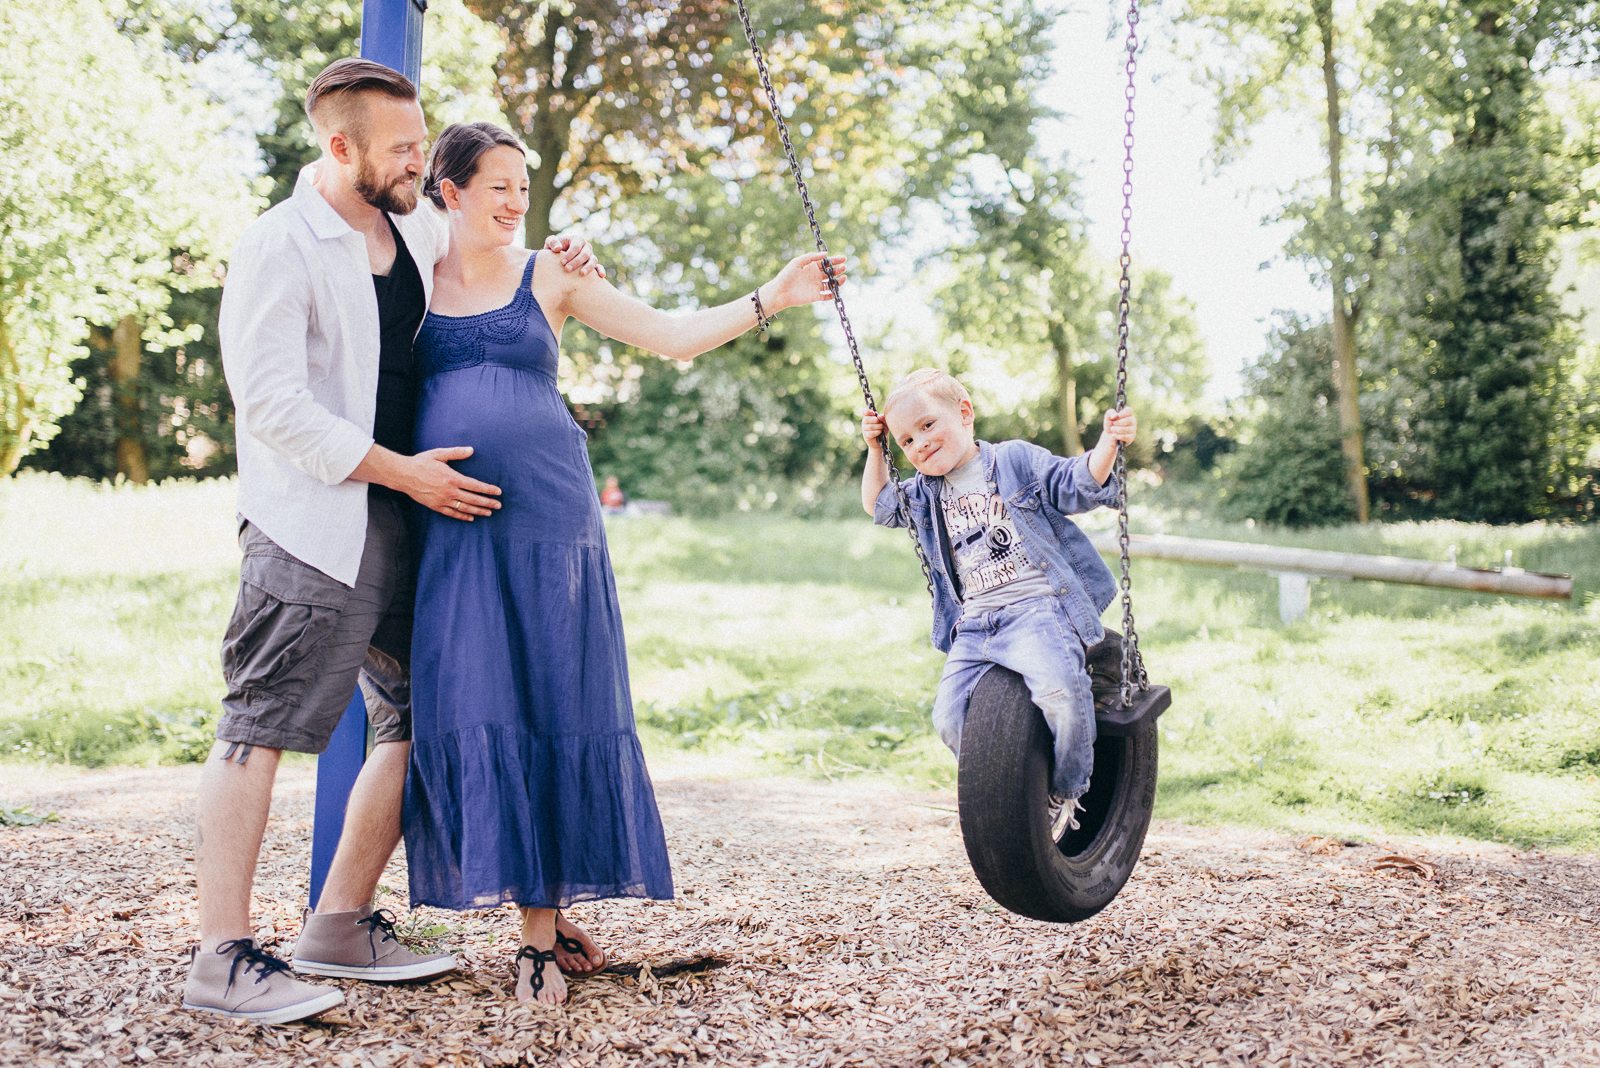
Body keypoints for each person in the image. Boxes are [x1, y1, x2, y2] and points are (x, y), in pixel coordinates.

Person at [185, 60, 603, 1025]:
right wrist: (402, 470)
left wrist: (560, 248)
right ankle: (220, 954)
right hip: (315, 528)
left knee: (422, 716)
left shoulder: (412, 222)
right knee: (261, 725)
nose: (424, 162)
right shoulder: (280, 247)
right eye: (405, 150)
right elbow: (273, 406)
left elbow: (494, 245)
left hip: (419, 530)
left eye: (424, 146)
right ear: (341, 149)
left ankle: (336, 921)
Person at [400, 121, 849, 1005]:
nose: (518, 203)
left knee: (553, 697)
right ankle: (537, 907)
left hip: (549, 522)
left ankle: (535, 933)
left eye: (523, 189)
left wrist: (778, 295)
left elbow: (673, 337)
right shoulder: (405, 275)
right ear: (446, 189)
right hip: (453, 525)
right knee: (480, 699)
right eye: (498, 186)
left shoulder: (554, 271)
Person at [859, 369, 1137, 840]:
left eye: (927, 425)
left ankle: (1068, 790)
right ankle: (1009, 787)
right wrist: (874, 449)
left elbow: (1075, 481)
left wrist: (1110, 443)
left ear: (965, 414)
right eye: (906, 440)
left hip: (1038, 610)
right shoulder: (927, 492)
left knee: (1061, 695)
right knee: (948, 718)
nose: (920, 444)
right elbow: (878, 504)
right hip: (974, 624)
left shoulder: (1013, 461)